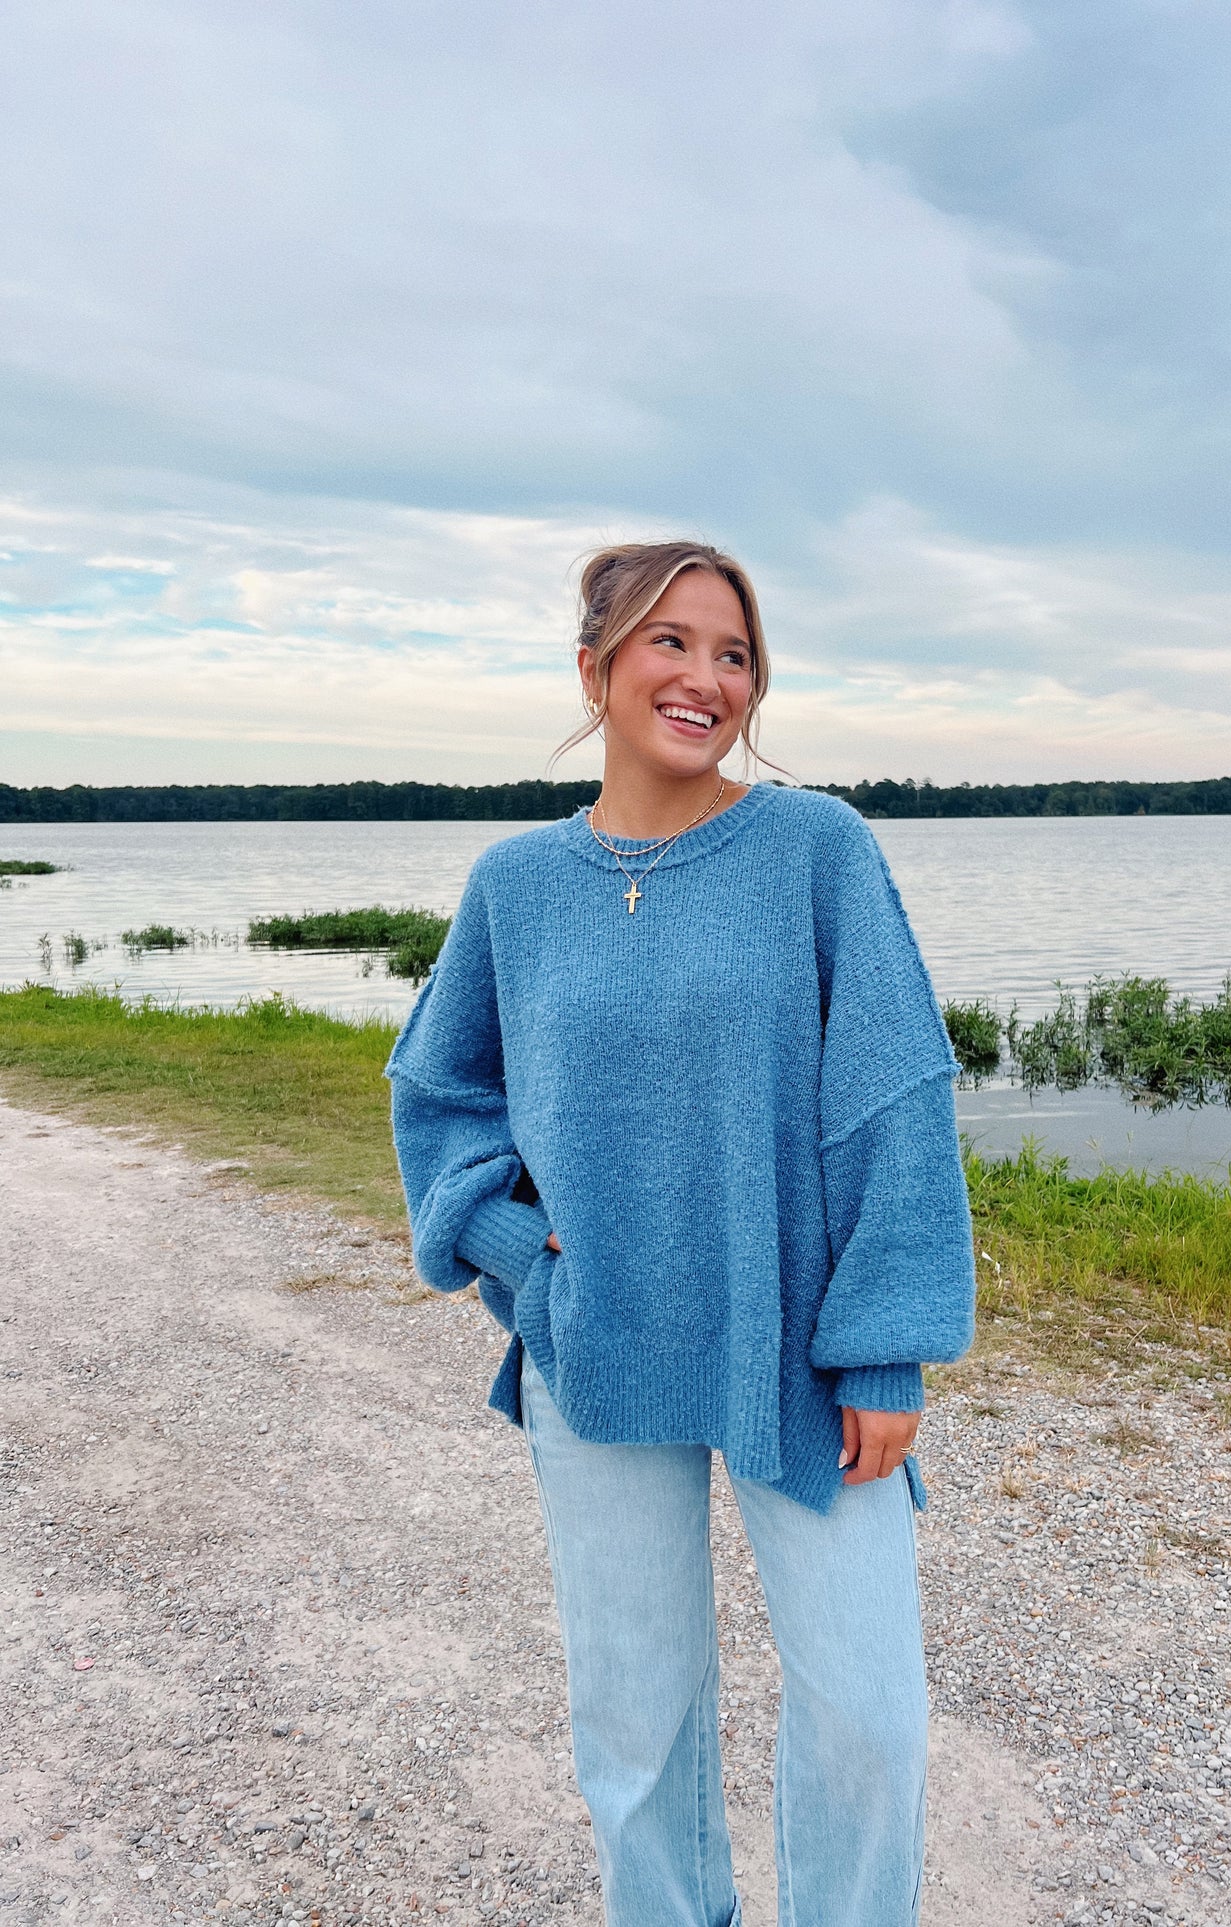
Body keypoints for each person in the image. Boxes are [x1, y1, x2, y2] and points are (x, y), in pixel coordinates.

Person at [386, 539, 975, 1927]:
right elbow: (438, 1092)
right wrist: (520, 1255)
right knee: (635, 1718)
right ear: (596, 669)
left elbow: (893, 1098)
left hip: (797, 1346)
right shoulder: (516, 885)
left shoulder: (816, 849)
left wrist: (884, 1346)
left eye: (734, 653)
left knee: (869, 1719)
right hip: (593, 1346)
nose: (706, 677)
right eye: (671, 642)